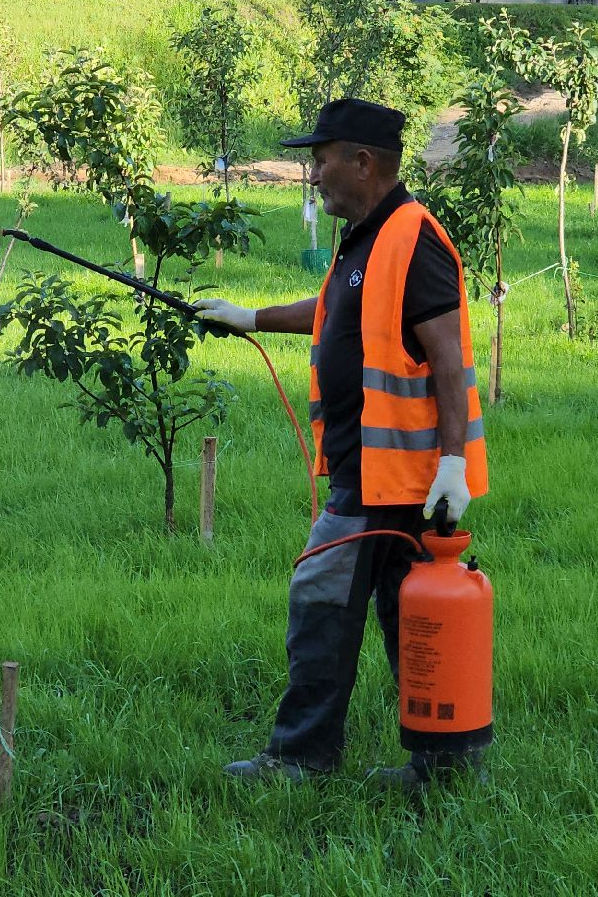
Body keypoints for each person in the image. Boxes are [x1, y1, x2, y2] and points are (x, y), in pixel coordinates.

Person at [195, 97, 489, 788]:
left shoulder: (412, 236)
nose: (315, 173)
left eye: (322, 159)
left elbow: (448, 358)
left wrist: (453, 465)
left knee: (320, 597)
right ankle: (444, 766)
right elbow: (332, 313)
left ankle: (301, 759)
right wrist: (252, 317)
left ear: (363, 162)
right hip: (379, 471)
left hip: (396, 476)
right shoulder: (367, 238)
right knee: (409, 614)